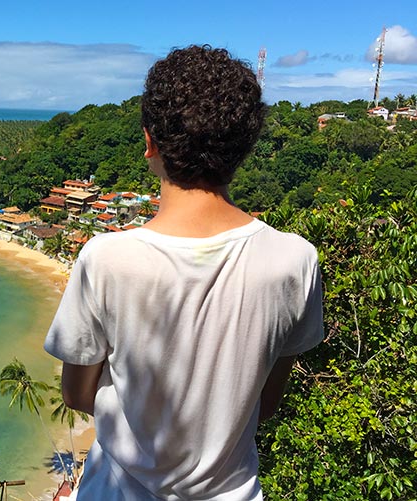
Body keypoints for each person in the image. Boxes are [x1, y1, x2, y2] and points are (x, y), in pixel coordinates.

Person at [44, 45, 323, 500]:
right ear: (246, 146)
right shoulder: (295, 260)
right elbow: (267, 404)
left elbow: (77, 395)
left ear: (149, 141)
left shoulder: (107, 258)